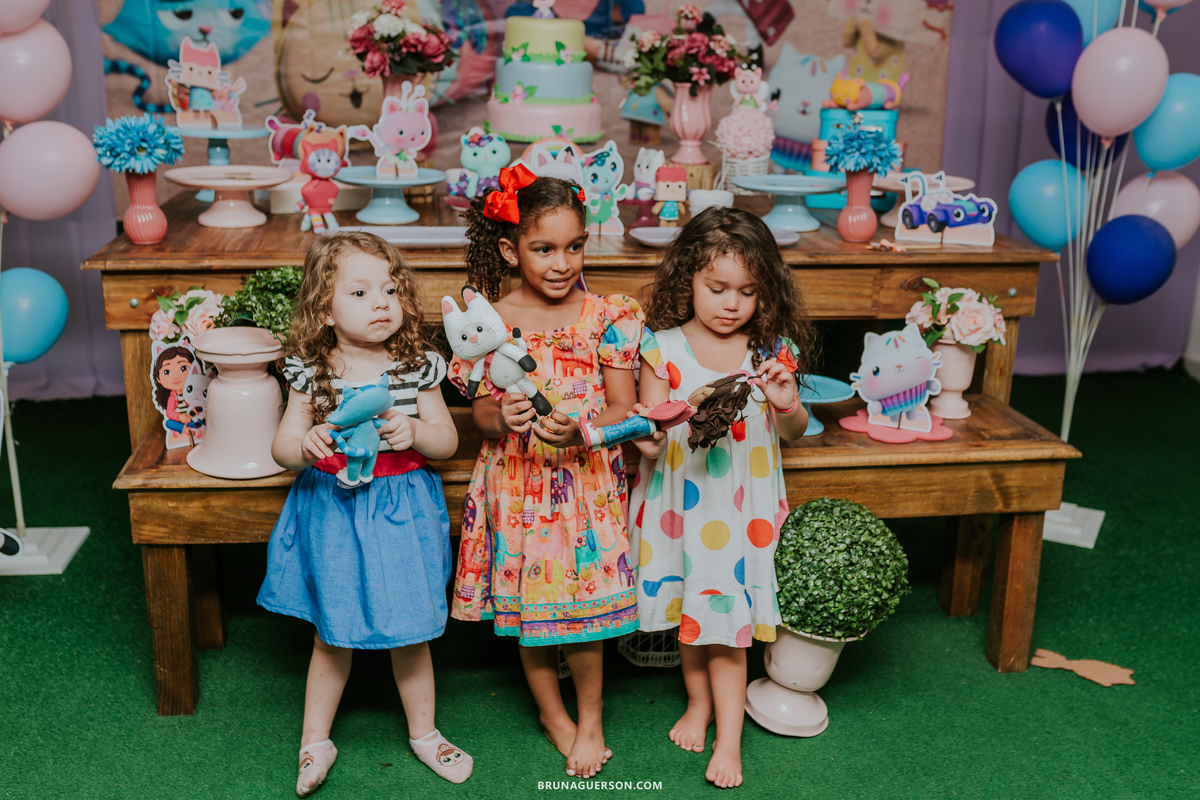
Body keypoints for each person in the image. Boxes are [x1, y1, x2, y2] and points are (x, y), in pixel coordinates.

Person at [257, 232, 472, 796]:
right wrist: (305, 444)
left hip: (402, 507)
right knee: (333, 632)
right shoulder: (312, 370)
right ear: (324, 311)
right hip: (334, 508)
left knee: (411, 632)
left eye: (389, 289)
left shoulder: (415, 364)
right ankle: (314, 741)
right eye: (359, 292)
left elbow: (446, 441)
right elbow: (282, 449)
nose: (381, 302)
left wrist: (417, 431)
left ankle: (424, 734)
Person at [449, 167, 643, 780]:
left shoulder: (606, 314)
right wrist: (499, 413)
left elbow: (622, 405)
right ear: (510, 249)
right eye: (543, 248)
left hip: (584, 485)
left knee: (583, 615)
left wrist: (586, 429)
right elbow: (479, 415)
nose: (562, 262)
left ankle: (590, 718)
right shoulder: (487, 322)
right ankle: (552, 715)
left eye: (574, 246)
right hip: (516, 484)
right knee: (532, 610)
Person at [628, 207, 814, 789]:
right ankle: (699, 705)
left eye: (748, 292)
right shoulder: (660, 348)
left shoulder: (771, 354)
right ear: (688, 279)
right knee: (691, 615)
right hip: (682, 507)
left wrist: (786, 400)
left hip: (742, 513)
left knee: (728, 628)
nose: (731, 303)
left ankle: (729, 739)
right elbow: (652, 444)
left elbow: (793, 432)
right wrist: (648, 435)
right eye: (717, 288)